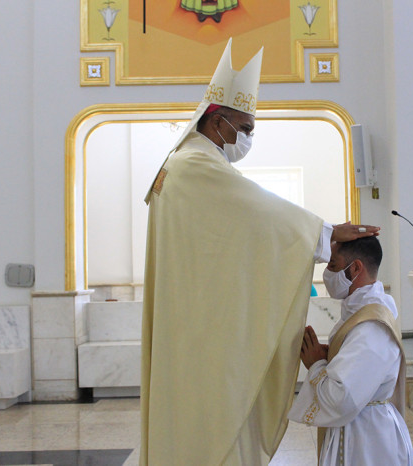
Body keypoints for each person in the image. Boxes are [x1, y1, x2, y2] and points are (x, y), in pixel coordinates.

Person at [140, 38, 379, 466]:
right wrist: (325, 235)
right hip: (201, 337)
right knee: (213, 432)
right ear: (218, 122)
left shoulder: (190, 165)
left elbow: (234, 240)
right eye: (245, 128)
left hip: (196, 323)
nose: (247, 138)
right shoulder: (195, 167)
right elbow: (259, 212)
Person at [288, 236, 413, 466]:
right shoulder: (364, 310)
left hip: (367, 442)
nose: (328, 274)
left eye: (333, 265)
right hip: (360, 429)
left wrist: (317, 365)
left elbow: (342, 398)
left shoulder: (372, 326)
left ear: (355, 268)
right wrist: (333, 358)